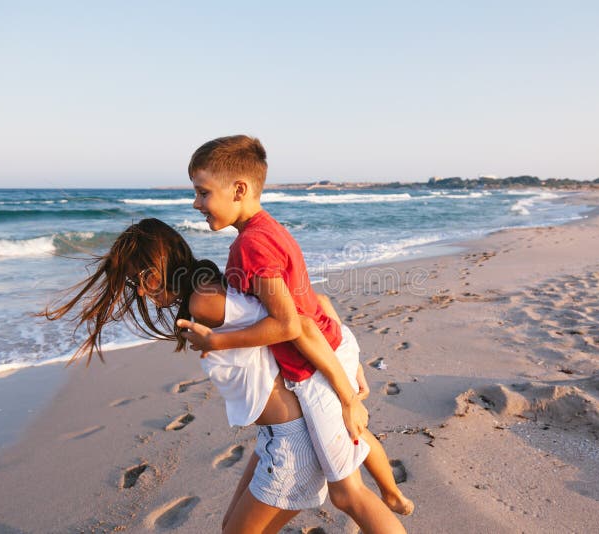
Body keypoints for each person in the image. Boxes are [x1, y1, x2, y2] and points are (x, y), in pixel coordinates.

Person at [43, 219, 410, 533]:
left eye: (145, 276)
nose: (140, 289)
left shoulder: (205, 301)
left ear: (166, 260)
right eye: (133, 282)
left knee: (337, 501)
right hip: (275, 436)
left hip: (291, 442)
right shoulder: (208, 291)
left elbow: (295, 322)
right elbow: (316, 304)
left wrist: (347, 377)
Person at [180, 135, 412, 531]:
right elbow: (312, 302)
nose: (196, 203)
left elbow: (289, 324)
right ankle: (392, 492)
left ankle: (389, 496)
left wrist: (215, 341)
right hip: (329, 350)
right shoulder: (268, 230)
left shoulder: (250, 245)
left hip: (314, 370)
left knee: (347, 494)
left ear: (239, 189)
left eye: (203, 192)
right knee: (354, 452)